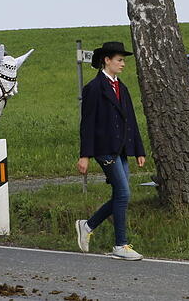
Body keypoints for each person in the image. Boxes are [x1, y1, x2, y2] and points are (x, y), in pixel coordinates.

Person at [75, 42, 147, 261]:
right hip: (104, 149)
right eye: (119, 60)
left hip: (121, 148)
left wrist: (139, 150)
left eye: (123, 60)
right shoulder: (94, 88)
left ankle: (87, 226)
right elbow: (87, 124)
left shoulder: (121, 88)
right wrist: (85, 155)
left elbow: (131, 121)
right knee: (124, 193)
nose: (123, 64)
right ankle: (120, 245)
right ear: (107, 60)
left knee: (120, 194)